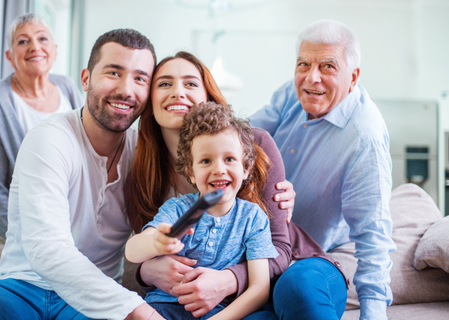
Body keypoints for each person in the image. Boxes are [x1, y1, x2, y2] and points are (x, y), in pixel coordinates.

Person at [125, 51, 348, 319]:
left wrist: (226, 280)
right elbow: (143, 247)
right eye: (164, 83)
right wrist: (148, 266)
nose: (178, 92)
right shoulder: (144, 171)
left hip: (290, 266)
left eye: (191, 83)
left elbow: (278, 249)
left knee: (295, 290)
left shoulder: (252, 146)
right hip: (196, 302)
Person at [0, 29, 165, 320]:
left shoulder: (143, 153)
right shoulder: (49, 138)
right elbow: (48, 249)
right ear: (86, 79)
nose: (126, 89)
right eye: (113, 72)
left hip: (94, 302)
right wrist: (140, 312)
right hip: (19, 288)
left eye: (140, 78)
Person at [249, 20, 396, 320]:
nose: (311, 78)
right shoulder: (291, 93)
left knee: (298, 289)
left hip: (316, 254)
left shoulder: (364, 137)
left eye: (328, 66)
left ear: (353, 77)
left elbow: (373, 234)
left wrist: (373, 313)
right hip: (264, 245)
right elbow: (241, 139)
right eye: (303, 64)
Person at [126, 102, 279, 320]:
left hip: (223, 312)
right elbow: (131, 251)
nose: (219, 169)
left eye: (229, 159)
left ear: (245, 169)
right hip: (165, 309)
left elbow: (259, 289)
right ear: (191, 172)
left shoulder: (253, 218)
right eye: (206, 161)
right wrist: (155, 242)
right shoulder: (176, 209)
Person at [0, 13, 83, 237]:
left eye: (42, 39)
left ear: (54, 49)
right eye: (23, 41)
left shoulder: (68, 87)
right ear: (10, 56)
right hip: (26, 229)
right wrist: (20, 238)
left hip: (77, 221)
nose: (34, 47)